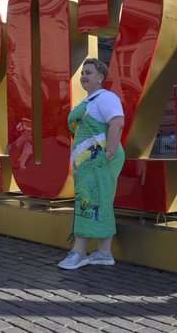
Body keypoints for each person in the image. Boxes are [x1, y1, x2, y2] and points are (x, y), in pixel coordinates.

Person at [58, 58, 125, 270]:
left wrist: (110, 152)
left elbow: (117, 122)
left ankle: (78, 252)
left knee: (91, 202)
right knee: (99, 201)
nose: (84, 76)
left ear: (101, 77)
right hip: (89, 163)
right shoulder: (90, 100)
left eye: (89, 72)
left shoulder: (105, 97)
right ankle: (104, 253)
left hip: (100, 160)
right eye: (82, 72)